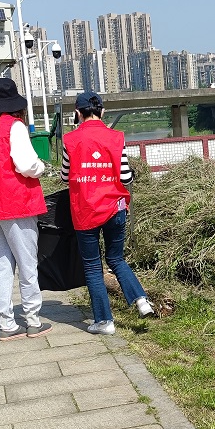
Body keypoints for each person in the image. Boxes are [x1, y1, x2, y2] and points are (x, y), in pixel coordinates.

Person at [60, 90, 155, 334]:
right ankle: (141, 300)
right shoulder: (116, 137)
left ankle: (104, 321)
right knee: (116, 259)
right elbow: (125, 176)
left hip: (85, 210)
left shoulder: (69, 140)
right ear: (102, 112)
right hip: (115, 208)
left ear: (77, 114)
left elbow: (64, 177)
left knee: (93, 267)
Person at [0, 78, 53, 341]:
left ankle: (6, 323)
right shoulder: (13, 127)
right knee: (27, 264)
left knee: (0, 267)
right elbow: (27, 165)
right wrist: (42, 167)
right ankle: (32, 319)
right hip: (16, 204)